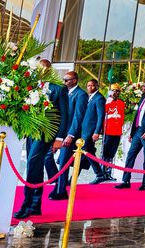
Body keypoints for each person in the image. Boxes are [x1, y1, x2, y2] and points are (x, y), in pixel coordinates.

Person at [14, 59, 68, 219]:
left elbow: (65, 115)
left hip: (47, 132)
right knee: (34, 166)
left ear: (49, 70)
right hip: (32, 131)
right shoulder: (32, 86)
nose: (40, 71)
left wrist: (59, 138)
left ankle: (27, 204)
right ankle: (35, 205)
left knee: (32, 163)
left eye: (43, 68)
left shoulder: (58, 88)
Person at [116, 79, 145, 191]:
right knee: (130, 155)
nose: (142, 88)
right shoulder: (142, 98)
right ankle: (126, 180)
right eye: (142, 86)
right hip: (137, 131)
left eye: (144, 86)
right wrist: (132, 133)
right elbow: (137, 116)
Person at [49, 70, 88, 200]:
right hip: (60, 133)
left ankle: (61, 191)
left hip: (70, 135)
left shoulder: (81, 95)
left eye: (67, 80)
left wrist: (70, 135)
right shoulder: (65, 93)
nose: (64, 82)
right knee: (55, 159)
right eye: (64, 80)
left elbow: (78, 116)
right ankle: (58, 185)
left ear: (74, 80)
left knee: (63, 162)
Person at [83, 79, 107, 184]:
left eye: (92, 85)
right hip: (84, 130)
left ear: (97, 86)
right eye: (88, 85)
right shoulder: (88, 97)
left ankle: (99, 174)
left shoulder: (99, 98)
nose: (90, 87)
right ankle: (100, 174)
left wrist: (97, 131)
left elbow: (101, 116)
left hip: (91, 131)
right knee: (86, 151)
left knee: (86, 151)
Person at [101, 83, 125, 181]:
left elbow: (122, 117)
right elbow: (104, 113)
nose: (115, 93)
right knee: (105, 153)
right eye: (113, 90)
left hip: (117, 132)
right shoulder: (107, 102)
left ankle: (109, 173)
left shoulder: (121, 103)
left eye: (117, 91)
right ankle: (102, 173)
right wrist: (109, 100)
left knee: (112, 154)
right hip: (108, 131)